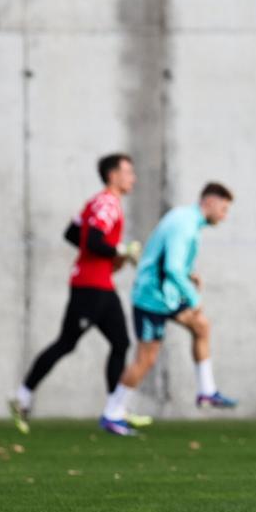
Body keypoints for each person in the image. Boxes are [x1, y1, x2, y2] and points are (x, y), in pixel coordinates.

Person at [9, 154, 142, 434]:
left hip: (101, 284)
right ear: (113, 175)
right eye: (128, 172)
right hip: (90, 287)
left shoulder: (97, 202)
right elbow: (92, 239)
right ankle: (22, 396)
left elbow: (72, 233)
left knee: (120, 342)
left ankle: (113, 412)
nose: (133, 178)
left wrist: (106, 256)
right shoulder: (107, 203)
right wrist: (121, 251)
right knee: (67, 343)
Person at [98, 182, 236, 436]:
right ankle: (112, 413)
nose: (225, 216)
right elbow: (171, 267)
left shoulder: (188, 220)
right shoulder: (184, 223)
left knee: (202, 326)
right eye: (224, 209)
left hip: (166, 295)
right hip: (152, 298)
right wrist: (193, 298)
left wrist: (189, 275)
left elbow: (171, 263)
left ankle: (206, 391)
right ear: (210, 202)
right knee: (146, 358)